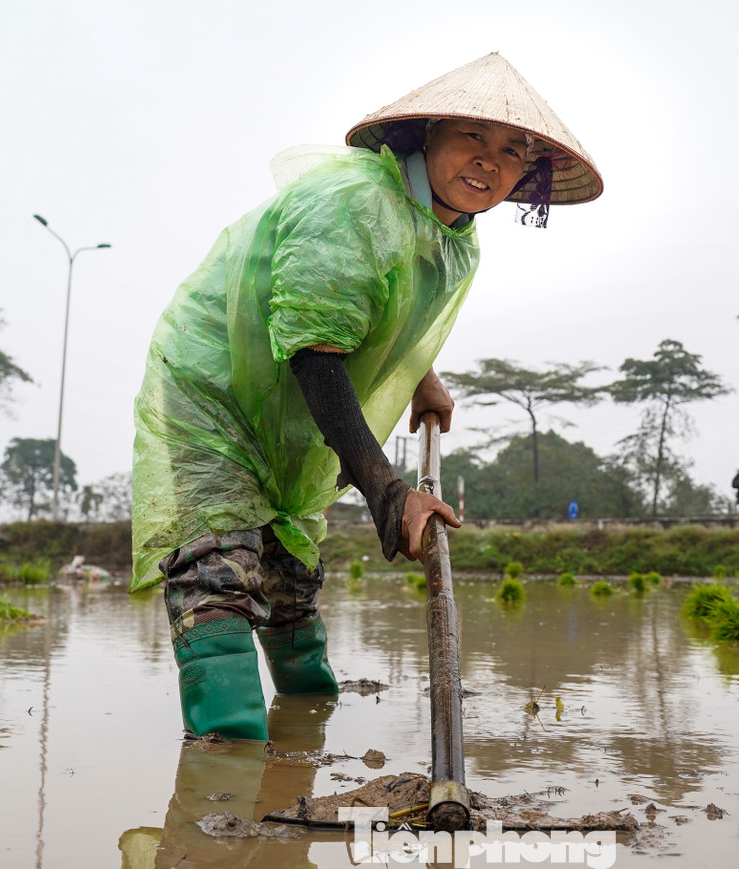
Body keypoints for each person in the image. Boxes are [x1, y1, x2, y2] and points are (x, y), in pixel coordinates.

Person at [130, 53, 601, 741]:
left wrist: (421, 372)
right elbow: (317, 354)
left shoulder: (454, 238)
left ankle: (302, 737)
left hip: (288, 402)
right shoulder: (352, 202)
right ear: (428, 134)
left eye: (511, 151)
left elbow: (386, 312)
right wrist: (389, 492)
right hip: (219, 387)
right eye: (472, 137)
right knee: (219, 572)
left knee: (291, 571)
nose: (488, 163)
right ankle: (224, 795)